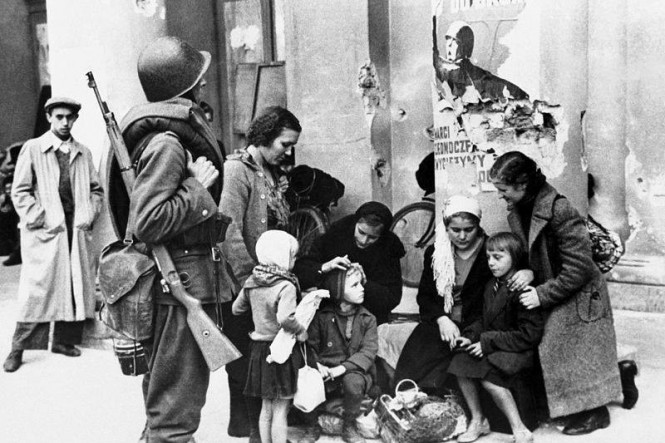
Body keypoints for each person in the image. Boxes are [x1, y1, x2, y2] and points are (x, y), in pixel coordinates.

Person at [114, 36, 227, 442]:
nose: (204, 84)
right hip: (178, 286)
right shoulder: (167, 143)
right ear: (187, 86)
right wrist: (197, 189)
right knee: (175, 415)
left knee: (166, 402)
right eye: (198, 78)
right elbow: (147, 222)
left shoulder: (164, 138)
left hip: (178, 282)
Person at [489, 151, 622, 435]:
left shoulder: (560, 209)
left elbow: (579, 268)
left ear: (522, 184)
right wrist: (528, 272)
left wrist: (541, 294)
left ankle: (596, 413)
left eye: (503, 189)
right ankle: (622, 375)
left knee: (559, 341)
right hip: (555, 283)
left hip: (580, 292)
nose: (501, 196)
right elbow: (537, 254)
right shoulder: (520, 208)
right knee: (550, 342)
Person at [2, 97, 103, 373]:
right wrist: (40, 217)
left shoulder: (83, 153)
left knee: (73, 285)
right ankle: (18, 348)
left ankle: (63, 341)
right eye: (59, 117)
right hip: (46, 230)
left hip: (75, 229)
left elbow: (96, 189)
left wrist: (88, 214)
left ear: (75, 119)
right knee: (37, 290)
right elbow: (20, 191)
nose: (64, 122)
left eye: (69, 117)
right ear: (49, 117)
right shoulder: (34, 149)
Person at [220, 106, 301, 441]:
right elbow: (227, 229)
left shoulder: (268, 171)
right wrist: (250, 281)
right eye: (285, 144)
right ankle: (253, 430)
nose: (289, 152)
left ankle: (255, 428)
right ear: (266, 137)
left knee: (262, 358)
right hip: (249, 284)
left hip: (269, 282)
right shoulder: (237, 170)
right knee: (246, 359)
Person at [448, 232, 544, 443]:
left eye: (498, 257)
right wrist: (470, 336)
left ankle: (519, 428)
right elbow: (484, 319)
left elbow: (529, 335)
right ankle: (478, 420)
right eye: (488, 257)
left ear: (514, 258)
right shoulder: (491, 285)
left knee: (489, 379)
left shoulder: (522, 289)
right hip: (496, 345)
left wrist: (486, 342)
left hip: (517, 349)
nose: (491, 263)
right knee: (460, 362)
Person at [394, 195, 494, 393]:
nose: (462, 236)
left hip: (476, 323)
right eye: (455, 230)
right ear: (446, 227)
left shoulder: (490, 250)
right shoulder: (436, 252)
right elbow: (425, 295)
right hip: (441, 322)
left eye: (469, 230)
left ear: (478, 227)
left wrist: (527, 272)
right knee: (412, 372)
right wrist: (442, 319)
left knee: (460, 371)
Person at [232, 230, 307, 443]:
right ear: (282, 257)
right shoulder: (286, 285)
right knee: (281, 408)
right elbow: (285, 318)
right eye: (293, 256)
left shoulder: (252, 281)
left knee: (265, 408)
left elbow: (237, 309)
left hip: (258, 350)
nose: (294, 260)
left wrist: (259, 310)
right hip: (280, 351)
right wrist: (300, 330)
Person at [294, 201, 405, 326]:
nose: (364, 241)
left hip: (368, 316)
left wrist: (364, 283)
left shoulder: (389, 247)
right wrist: (324, 267)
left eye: (372, 237)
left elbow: (392, 298)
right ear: (355, 224)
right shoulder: (337, 233)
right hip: (329, 311)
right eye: (361, 232)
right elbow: (299, 274)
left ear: (381, 235)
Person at [304, 264, 379, 443]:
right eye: (354, 285)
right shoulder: (321, 317)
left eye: (361, 284)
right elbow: (309, 346)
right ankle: (311, 425)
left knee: (353, 383)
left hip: (355, 371)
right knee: (308, 381)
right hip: (326, 370)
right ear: (337, 290)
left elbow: (368, 351)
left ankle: (349, 425)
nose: (362, 289)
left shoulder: (368, 319)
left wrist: (342, 368)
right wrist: (317, 365)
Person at [433, 20, 529, 103]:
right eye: (448, 39)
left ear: (466, 46)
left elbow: (516, 93)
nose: (449, 44)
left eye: (455, 40)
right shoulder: (446, 70)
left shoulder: (474, 75)